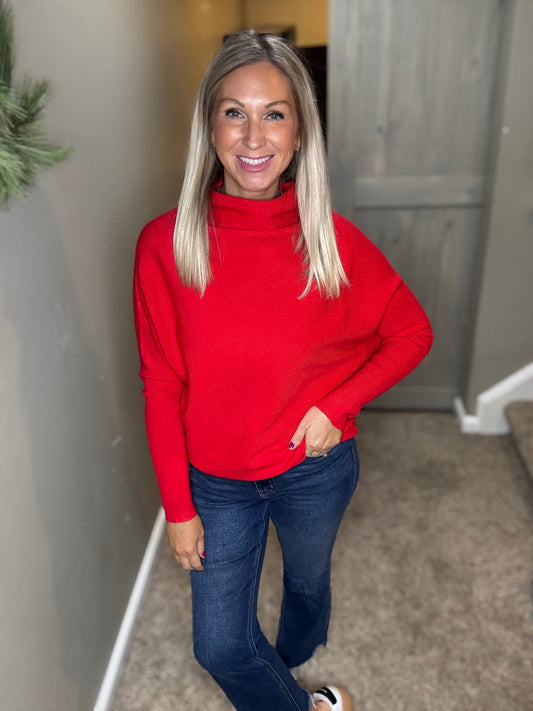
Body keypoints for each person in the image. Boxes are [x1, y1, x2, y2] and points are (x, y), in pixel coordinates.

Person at [133, 28, 433, 711]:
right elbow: (161, 384)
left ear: (298, 134)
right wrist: (178, 508)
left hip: (313, 468)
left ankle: (297, 653)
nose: (252, 135)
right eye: (233, 112)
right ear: (209, 128)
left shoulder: (330, 241)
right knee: (219, 645)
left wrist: (337, 406)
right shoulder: (164, 244)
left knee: (306, 580)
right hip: (216, 482)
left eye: (274, 113)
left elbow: (412, 332)